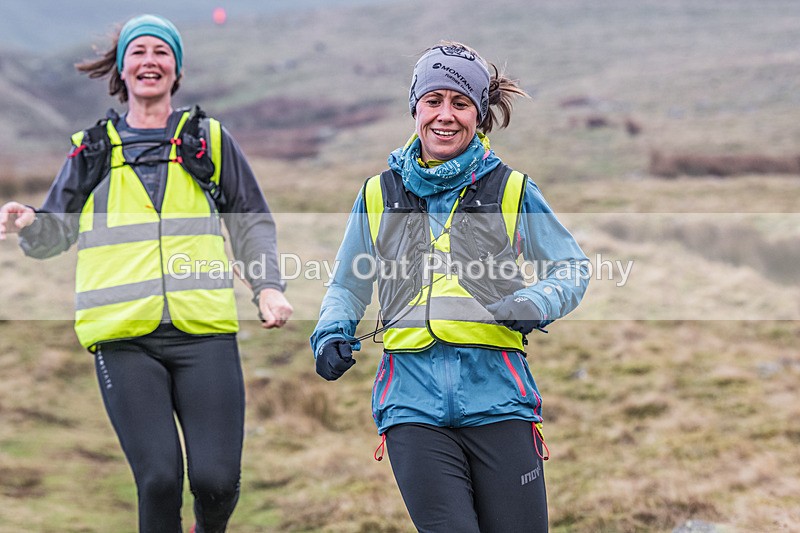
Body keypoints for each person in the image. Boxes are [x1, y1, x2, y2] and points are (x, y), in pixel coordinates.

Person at [0, 14, 292, 533]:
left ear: (176, 69)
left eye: (162, 52)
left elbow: (251, 224)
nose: (150, 61)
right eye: (139, 52)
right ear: (122, 69)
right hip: (123, 337)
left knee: (217, 481)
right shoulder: (91, 149)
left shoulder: (210, 141)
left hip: (204, 334)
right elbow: (53, 235)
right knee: (159, 480)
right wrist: (28, 223)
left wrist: (267, 288)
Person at [310, 41, 589, 532]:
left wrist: (534, 301)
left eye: (460, 103)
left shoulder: (512, 189)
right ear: (415, 107)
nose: (445, 115)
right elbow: (347, 285)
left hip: (500, 401)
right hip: (410, 408)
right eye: (433, 101)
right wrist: (331, 332)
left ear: (479, 115)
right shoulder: (377, 194)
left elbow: (571, 269)